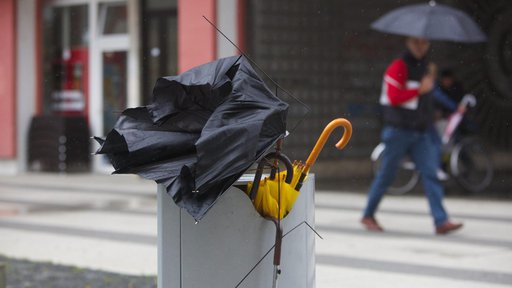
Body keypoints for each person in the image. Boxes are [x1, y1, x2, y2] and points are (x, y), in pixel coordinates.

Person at [361, 37, 463, 235]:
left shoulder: (426, 68)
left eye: (424, 43)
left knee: (431, 173)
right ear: (408, 42)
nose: (420, 46)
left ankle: (441, 221)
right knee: (387, 175)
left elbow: (431, 96)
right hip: (399, 130)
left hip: (420, 131)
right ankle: (368, 214)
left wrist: (450, 107)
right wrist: (419, 89)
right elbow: (393, 97)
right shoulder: (398, 66)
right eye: (416, 42)